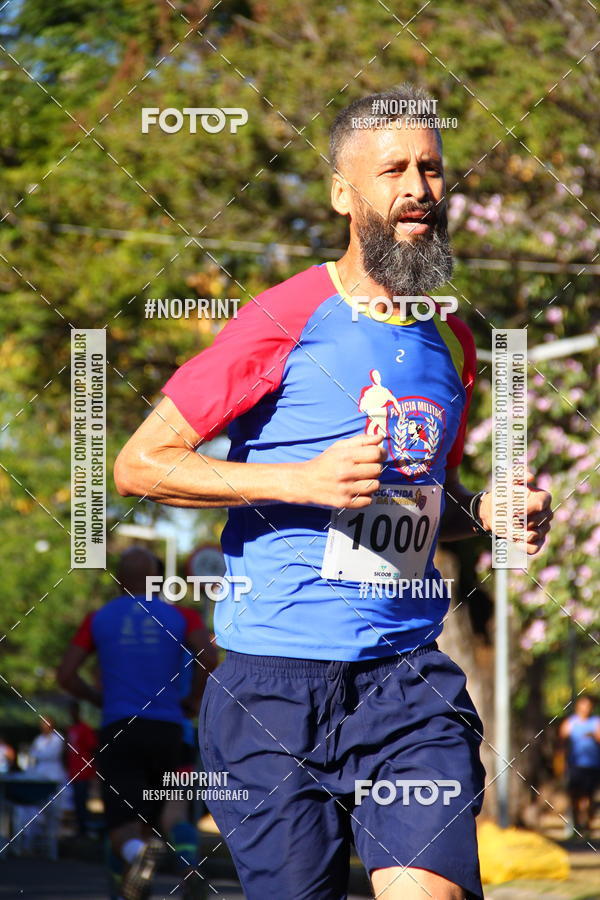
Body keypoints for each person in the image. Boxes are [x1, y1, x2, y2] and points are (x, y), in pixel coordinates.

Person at [114, 84, 553, 900]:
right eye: (393, 170)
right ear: (344, 195)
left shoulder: (452, 341)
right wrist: (301, 482)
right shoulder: (284, 318)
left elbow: (426, 502)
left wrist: (486, 515)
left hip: (406, 680)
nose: (418, 188)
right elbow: (140, 465)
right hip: (273, 686)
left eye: (431, 168)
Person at [57, 547, 217, 900]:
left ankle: (136, 855)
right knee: (173, 805)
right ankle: (189, 864)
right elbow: (209, 655)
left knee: (121, 821)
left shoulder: (97, 619)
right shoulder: (183, 617)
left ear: (118, 581)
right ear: (157, 580)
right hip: (169, 727)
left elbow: (66, 675)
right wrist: (193, 699)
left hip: (119, 726)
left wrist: (99, 699)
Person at [559, 694, 600, 839]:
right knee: (575, 796)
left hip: (592, 765)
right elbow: (562, 743)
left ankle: (587, 824)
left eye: (588, 705)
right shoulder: (570, 723)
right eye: (583, 705)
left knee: (588, 797)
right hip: (574, 765)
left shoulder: (596, 722)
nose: (585, 708)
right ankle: (577, 825)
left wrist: (594, 736)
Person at [66, 701, 97, 836]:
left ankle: (84, 829)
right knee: (76, 802)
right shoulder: (70, 729)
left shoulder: (85, 728)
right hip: (73, 771)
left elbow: (92, 748)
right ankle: (80, 828)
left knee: (82, 800)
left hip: (83, 771)